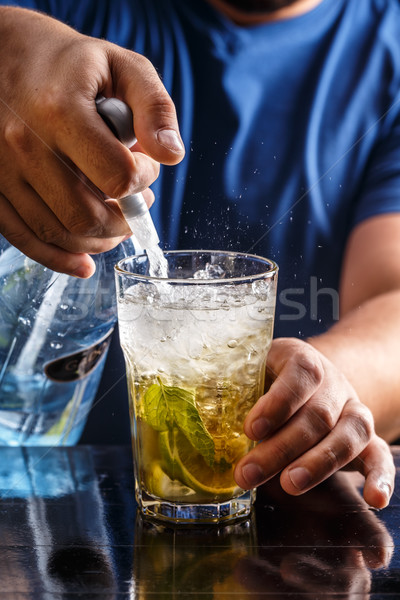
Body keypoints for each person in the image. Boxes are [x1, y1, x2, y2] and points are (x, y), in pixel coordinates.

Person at [0, 0, 398, 509]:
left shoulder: (389, 53)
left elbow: (395, 297)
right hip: (52, 506)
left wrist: (319, 383)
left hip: (273, 530)